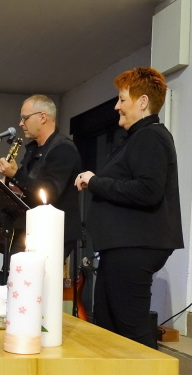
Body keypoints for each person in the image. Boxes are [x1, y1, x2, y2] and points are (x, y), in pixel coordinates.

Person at [74, 67, 183, 348]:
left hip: (135, 246)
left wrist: (96, 181)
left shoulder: (151, 136)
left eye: (122, 99)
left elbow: (148, 191)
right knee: (109, 328)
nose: (116, 106)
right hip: (123, 246)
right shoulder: (138, 138)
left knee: (131, 330)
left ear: (143, 102)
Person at [0, 94, 82, 284]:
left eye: (25, 118)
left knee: (23, 290)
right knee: (8, 285)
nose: (20, 123)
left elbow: (48, 193)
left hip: (49, 235)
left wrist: (16, 174)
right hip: (28, 229)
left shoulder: (62, 149)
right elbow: (29, 189)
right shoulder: (33, 149)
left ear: (43, 117)